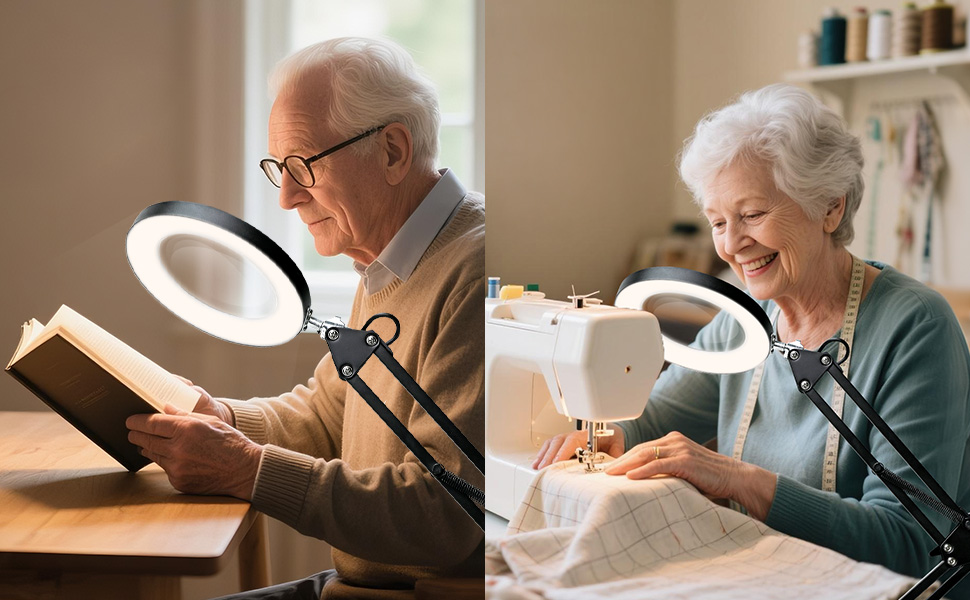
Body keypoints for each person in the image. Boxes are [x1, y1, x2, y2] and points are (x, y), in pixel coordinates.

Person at [533, 83, 970, 591]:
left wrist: (738, 479)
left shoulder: (916, 327)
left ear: (830, 206)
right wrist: (612, 434)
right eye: (718, 221)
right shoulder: (746, 319)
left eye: (752, 215)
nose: (732, 245)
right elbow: (657, 416)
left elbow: (912, 544)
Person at [127, 37, 484, 599]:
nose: (287, 197)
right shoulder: (386, 260)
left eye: (302, 164)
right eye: (278, 168)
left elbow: (446, 514)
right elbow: (328, 414)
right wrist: (221, 417)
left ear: (391, 150)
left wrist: (246, 469)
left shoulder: (474, 269)